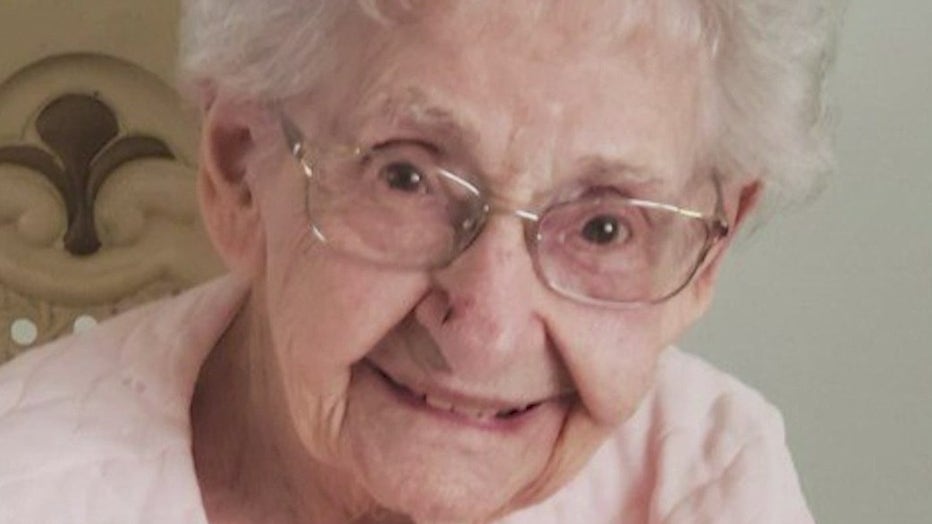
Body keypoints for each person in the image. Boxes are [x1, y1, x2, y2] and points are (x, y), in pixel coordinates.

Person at [0, 1, 839, 522]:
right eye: (406, 178)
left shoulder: (704, 480)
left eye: (604, 228)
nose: (487, 330)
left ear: (709, 254)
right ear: (240, 169)